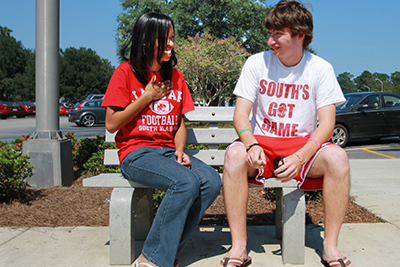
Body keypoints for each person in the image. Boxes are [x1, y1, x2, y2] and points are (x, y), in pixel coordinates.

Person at [217, 1, 353, 267]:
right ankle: (239, 247)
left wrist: (301, 157)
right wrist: (250, 143)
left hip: (302, 145)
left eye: (278, 34)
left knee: (338, 158)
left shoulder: (320, 68)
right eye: (269, 33)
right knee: (234, 155)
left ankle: (330, 247)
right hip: (263, 144)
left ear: (300, 35)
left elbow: (326, 125)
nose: (270, 41)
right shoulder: (256, 64)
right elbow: (241, 115)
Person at [101, 12, 222, 267]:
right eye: (164, 39)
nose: (170, 44)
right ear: (146, 40)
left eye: (172, 38)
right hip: (137, 154)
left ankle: (163, 252)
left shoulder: (176, 77)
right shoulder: (124, 73)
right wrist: (147, 97)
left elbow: (179, 123)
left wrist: (179, 149)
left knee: (211, 180)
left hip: (167, 151)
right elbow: (112, 124)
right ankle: (152, 258)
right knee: (185, 182)